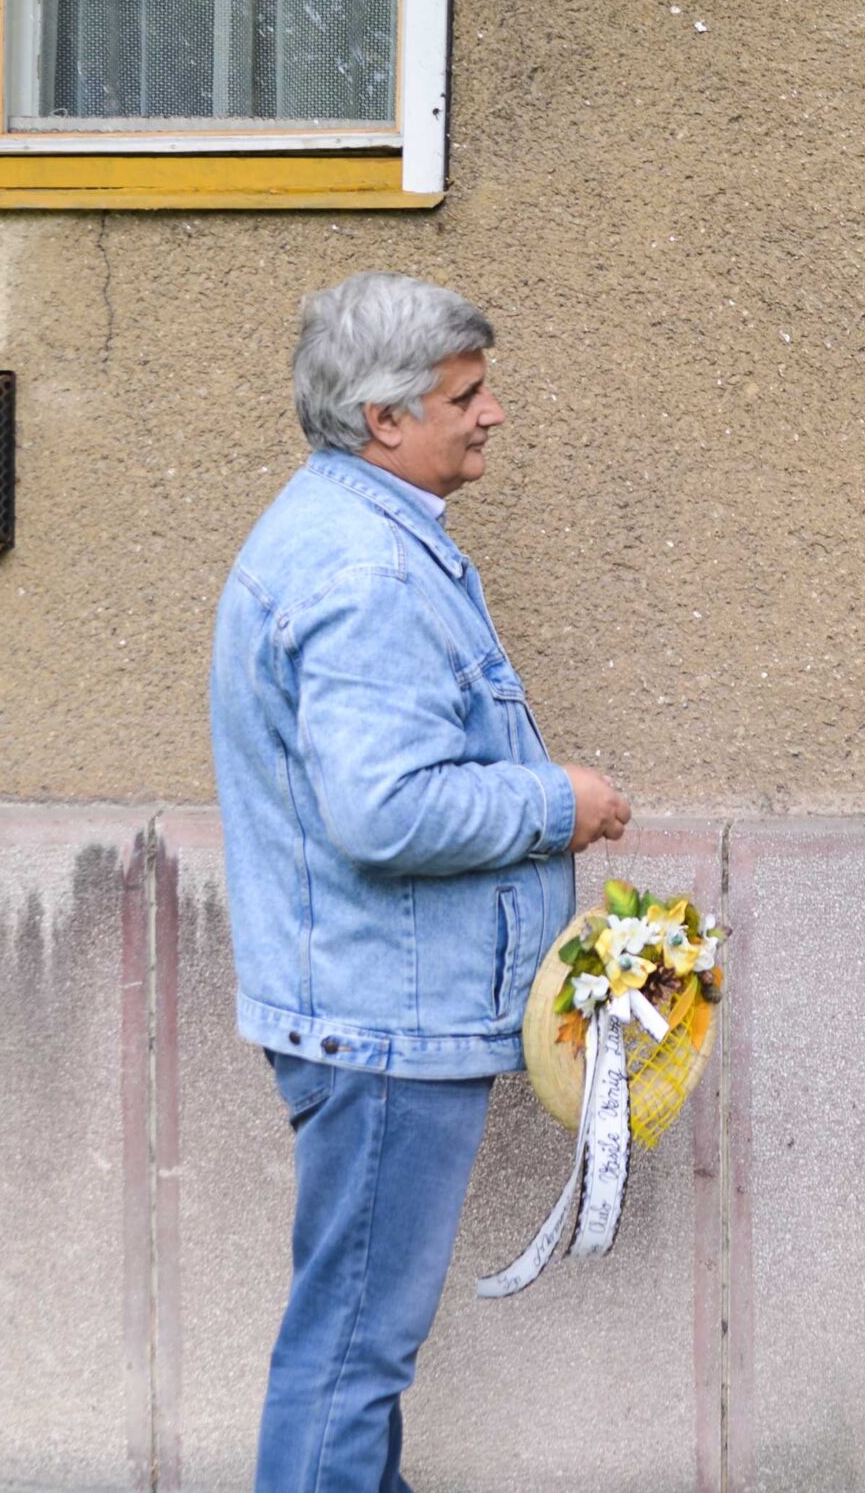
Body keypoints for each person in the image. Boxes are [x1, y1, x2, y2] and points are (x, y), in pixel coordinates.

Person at [209, 271, 631, 1493]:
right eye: (467, 393)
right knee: (350, 1355)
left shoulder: (350, 534)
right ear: (382, 419)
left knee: (353, 1343)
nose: (492, 412)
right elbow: (384, 808)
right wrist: (566, 803)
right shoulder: (370, 572)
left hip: (369, 1005)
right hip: (383, 1024)